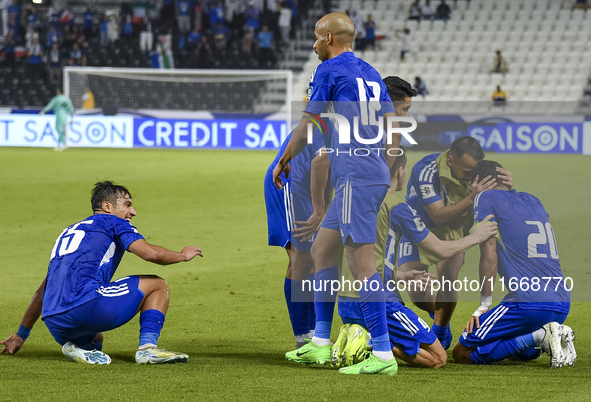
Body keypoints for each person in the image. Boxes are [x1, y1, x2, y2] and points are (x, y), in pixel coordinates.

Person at [275, 12, 403, 375]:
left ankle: (382, 354)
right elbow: (393, 126)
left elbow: (307, 124)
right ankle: (319, 342)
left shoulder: (328, 72)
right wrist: (386, 169)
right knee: (320, 249)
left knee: (361, 264)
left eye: (316, 38)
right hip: (367, 174)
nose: (314, 45)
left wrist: (283, 160)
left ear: (329, 38)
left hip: (356, 179)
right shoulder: (372, 73)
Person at [0, 181, 203, 365]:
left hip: (55, 321)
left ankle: (80, 348)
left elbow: (43, 289)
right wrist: (182, 255)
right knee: (157, 285)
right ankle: (148, 349)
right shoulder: (114, 223)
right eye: (127, 205)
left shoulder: (69, 231)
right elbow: (150, 254)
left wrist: (21, 334)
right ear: (107, 206)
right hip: (86, 307)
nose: (133, 212)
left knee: (97, 340)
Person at [335, 144, 499, 370]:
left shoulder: (350, 198)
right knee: (438, 359)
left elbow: (359, 257)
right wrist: (476, 236)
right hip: (380, 303)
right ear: (400, 172)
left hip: (346, 302)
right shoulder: (397, 207)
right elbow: (439, 249)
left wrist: (399, 275)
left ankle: (362, 332)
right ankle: (369, 341)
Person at [452, 161, 575, 368]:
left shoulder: (485, 197)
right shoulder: (533, 200)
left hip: (528, 303)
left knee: (462, 352)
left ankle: (539, 335)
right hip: (562, 303)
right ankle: (544, 335)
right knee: (520, 354)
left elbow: (489, 255)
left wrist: (484, 305)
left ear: (478, 182)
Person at [398, 137, 513, 350]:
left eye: (474, 171)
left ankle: (440, 330)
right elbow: (438, 215)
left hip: (455, 228)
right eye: (467, 172)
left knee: (448, 277)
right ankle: (437, 312)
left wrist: (505, 185)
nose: (471, 177)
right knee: (416, 291)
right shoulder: (425, 171)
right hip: (417, 226)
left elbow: (497, 196)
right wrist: (470, 199)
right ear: (450, 161)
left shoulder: (473, 169)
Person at [264, 122, 332, 348]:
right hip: (291, 184)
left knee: (314, 259)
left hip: (308, 184)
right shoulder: (338, 120)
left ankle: (312, 333)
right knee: (301, 260)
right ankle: (304, 336)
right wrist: (322, 208)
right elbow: (321, 162)